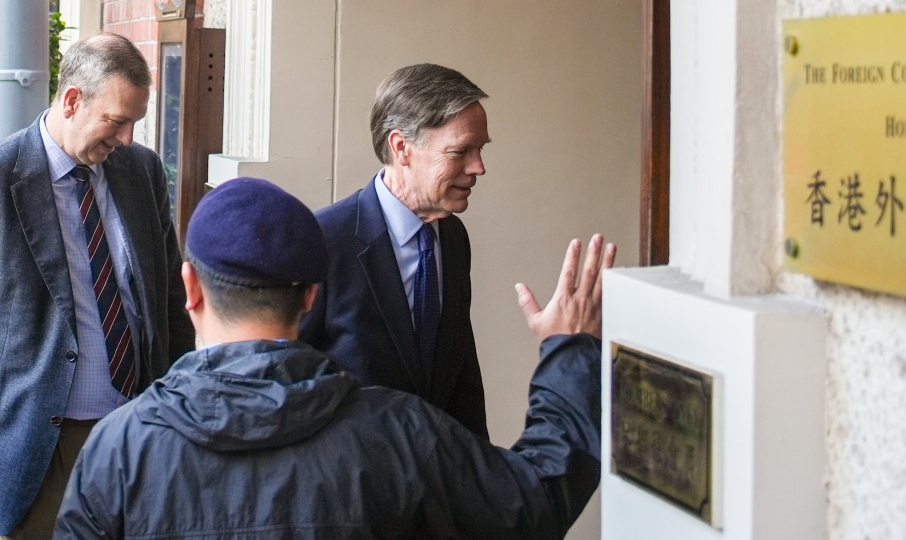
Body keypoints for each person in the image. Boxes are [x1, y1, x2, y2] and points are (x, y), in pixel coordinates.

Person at [54, 177, 615, 539]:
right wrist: (567, 349)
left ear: (191, 288)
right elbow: (534, 504)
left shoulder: (120, 447)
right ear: (311, 297)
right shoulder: (399, 433)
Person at [0, 32, 194, 539]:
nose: (127, 138)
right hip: (40, 449)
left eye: (136, 122)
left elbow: (171, 301)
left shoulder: (141, 170)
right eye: (117, 120)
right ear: (71, 100)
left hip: (141, 433)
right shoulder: (4, 179)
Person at [300, 63, 491, 437]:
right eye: (461, 151)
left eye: (480, 149)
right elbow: (293, 381)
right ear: (401, 147)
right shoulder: (323, 241)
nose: (479, 167)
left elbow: (460, 373)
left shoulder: (453, 239)